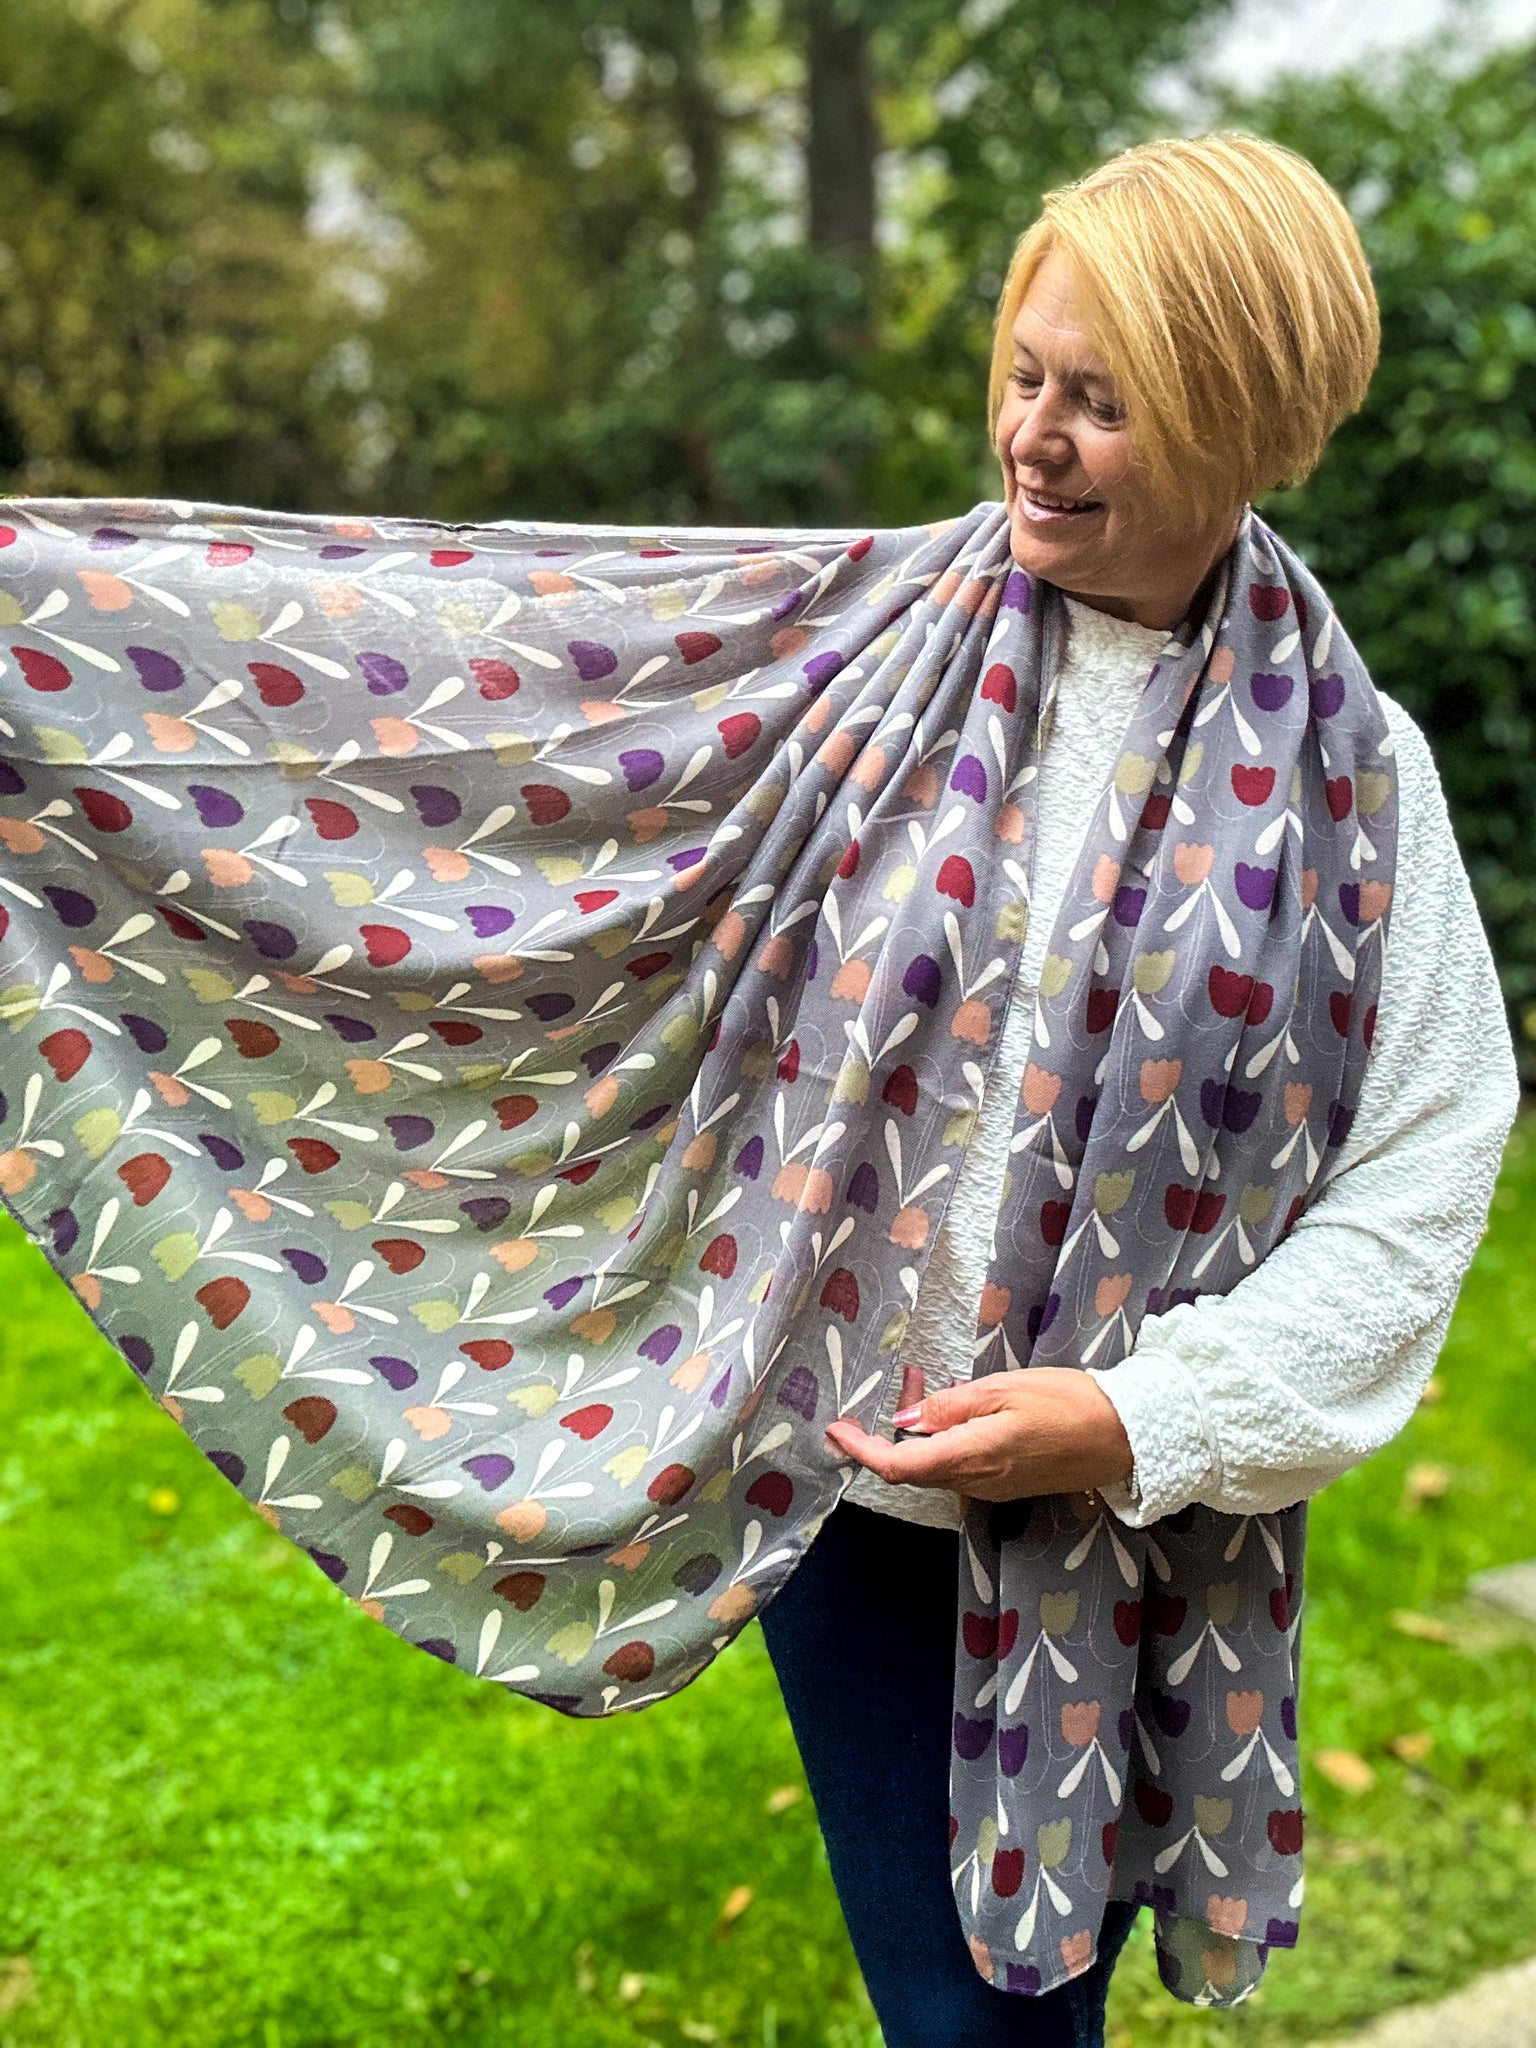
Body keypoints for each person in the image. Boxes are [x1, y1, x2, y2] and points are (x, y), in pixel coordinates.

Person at [756, 131, 1520, 2048]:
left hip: (1132, 1523)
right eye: (1025, 374)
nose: (1033, 437)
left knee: (1012, 2033)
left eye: (1100, 403)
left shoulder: (1361, 785)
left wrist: (1128, 1417)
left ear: (1240, 422)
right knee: (968, 2025)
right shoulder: (863, 661)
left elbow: (1427, 1169)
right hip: (844, 1496)